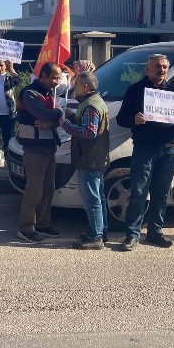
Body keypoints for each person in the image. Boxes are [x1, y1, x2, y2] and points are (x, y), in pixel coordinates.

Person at [116, 54, 174, 251]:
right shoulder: (135, 90)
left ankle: (155, 232)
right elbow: (121, 119)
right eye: (157, 67)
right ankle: (133, 234)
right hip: (144, 148)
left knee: (160, 194)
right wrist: (134, 119)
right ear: (147, 69)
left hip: (169, 149)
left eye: (165, 67)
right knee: (139, 192)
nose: (161, 70)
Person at [56, 71, 110, 250]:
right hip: (95, 157)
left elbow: (89, 132)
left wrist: (66, 124)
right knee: (98, 197)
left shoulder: (91, 106)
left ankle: (96, 237)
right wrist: (73, 116)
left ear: (86, 86)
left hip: (90, 158)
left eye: (76, 83)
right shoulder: (91, 102)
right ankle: (100, 231)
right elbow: (87, 125)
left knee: (92, 199)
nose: (73, 87)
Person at [16, 62, 64, 243]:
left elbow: (50, 118)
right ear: (43, 75)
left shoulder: (49, 93)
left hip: (48, 148)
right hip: (34, 150)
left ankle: (42, 224)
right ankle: (26, 228)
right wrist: (59, 113)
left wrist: (53, 120)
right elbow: (42, 114)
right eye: (53, 77)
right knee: (34, 191)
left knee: (47, 190)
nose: (56, 81)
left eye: (58, 78)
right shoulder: (29, 93)